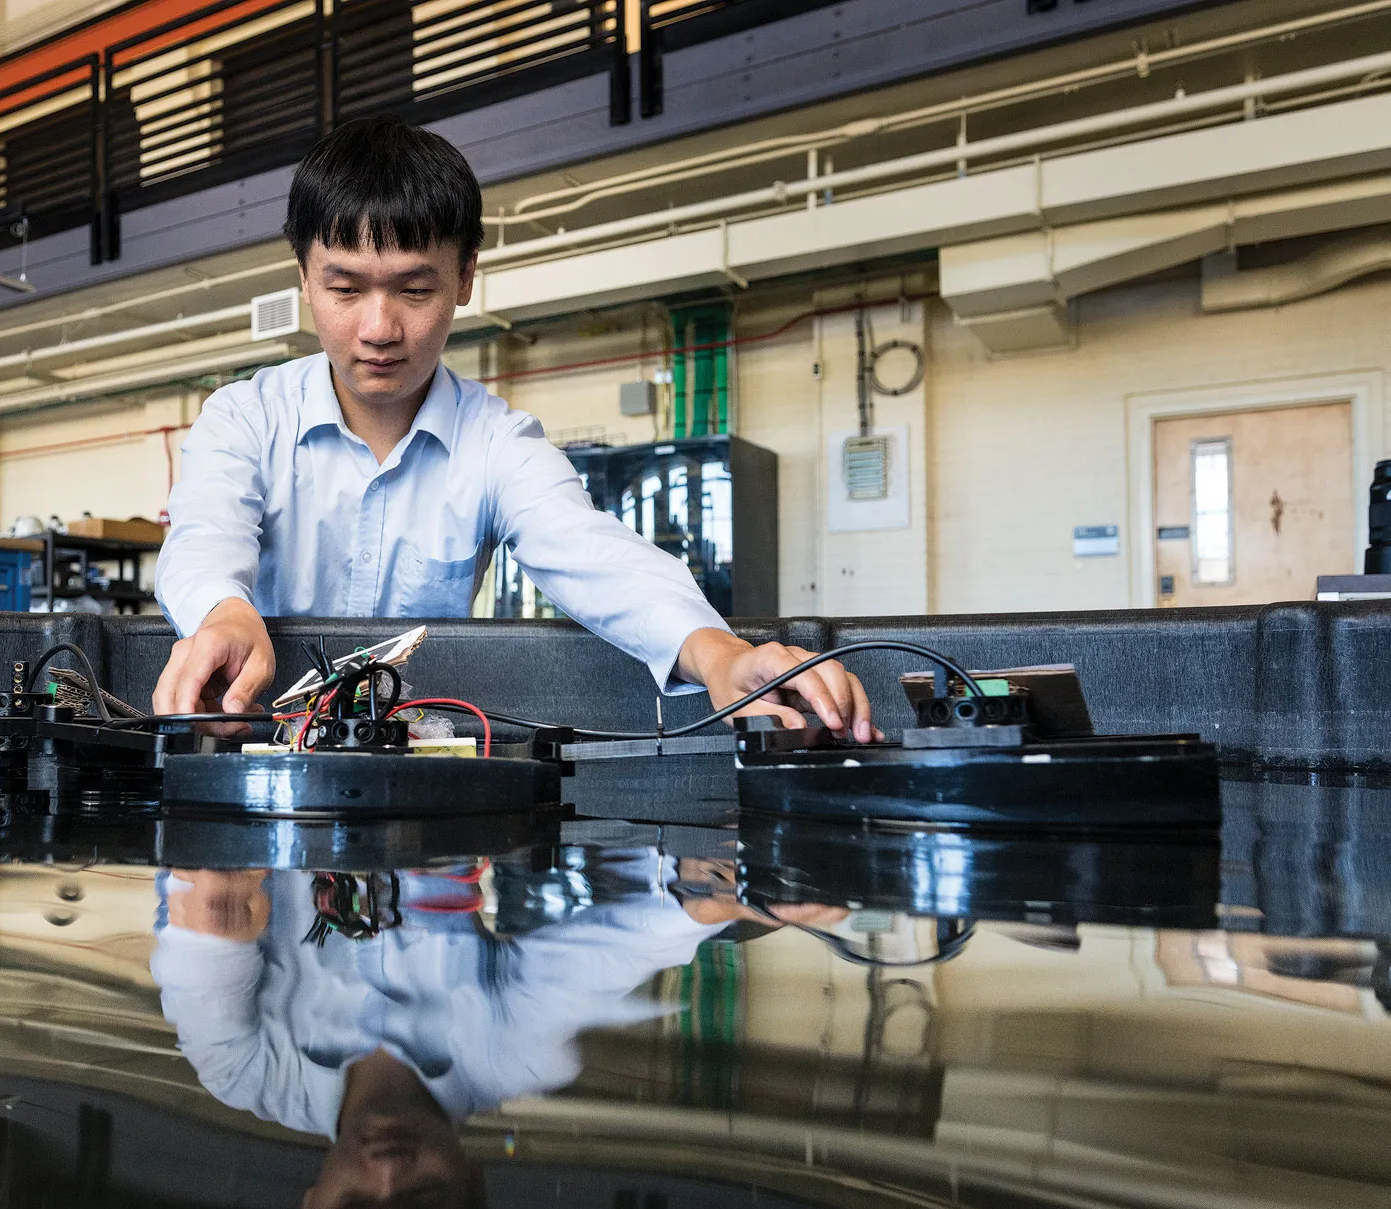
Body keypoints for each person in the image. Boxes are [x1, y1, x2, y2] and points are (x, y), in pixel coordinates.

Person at [151, 115, 880, 742]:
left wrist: (718, 653)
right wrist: (225, 613)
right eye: (343, 289)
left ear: (466, 278)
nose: (378, 328)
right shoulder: (245, 418)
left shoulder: (497, 444)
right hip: (255, 764)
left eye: (415, 289)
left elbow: (592, 552)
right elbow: (205, 535)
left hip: (412, 789)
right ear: (303, 280)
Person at [151, 848, 844, 1209]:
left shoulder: (244, 1071)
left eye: (355, 1203)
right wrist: (733, 898)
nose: (388, 1168)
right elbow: (611, 952)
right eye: (422, 1194)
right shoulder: (512, 1054)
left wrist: (215, 909)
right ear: (472, 1184)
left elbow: (207, 909)